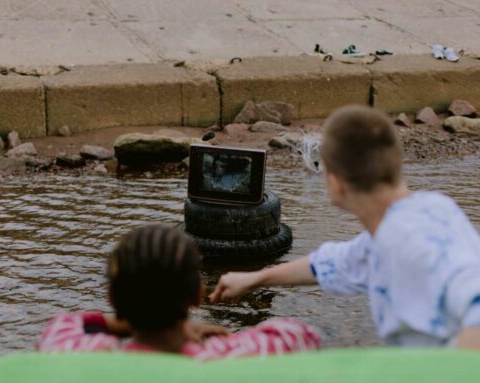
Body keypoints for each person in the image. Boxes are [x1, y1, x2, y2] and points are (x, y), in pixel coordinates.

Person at [210, 105, 480, 349]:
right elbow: (333, 262)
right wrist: (254, 279)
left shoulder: (407, 240)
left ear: (336, 183)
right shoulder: (425, 211)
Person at [37, 224, 320, 360]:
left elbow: (64, 325)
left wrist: (127, 323)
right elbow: (300, 334)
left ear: (112, 298)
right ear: (198, 295)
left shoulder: (85, 355)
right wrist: (187, 331)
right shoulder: (223, 357)